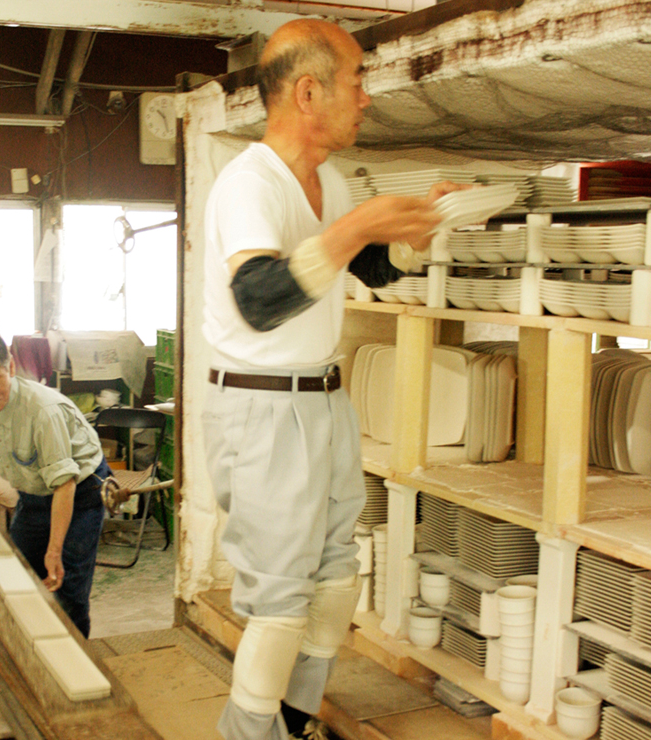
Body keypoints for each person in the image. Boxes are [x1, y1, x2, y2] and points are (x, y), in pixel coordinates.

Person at [201, 18, 467, 740]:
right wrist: (356, 228)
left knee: (334, 580)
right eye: (358, 79)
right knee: (283, 597)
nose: (367, 98)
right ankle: (246, 735)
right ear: (309, 91)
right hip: (260, 408)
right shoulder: (247, 183)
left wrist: (417, 233)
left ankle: (293, 721)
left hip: (322, 398)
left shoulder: (333, 181)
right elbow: (258, 300)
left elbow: (366, 271)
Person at [0, 325, 108, 638]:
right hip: (35, 491)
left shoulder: (41, 410)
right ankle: (33, 654)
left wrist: (55, 549)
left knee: (65, 585)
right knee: (18, 576)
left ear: (11, 367)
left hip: (80, 489)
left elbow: (64, 484)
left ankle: (74, 665)